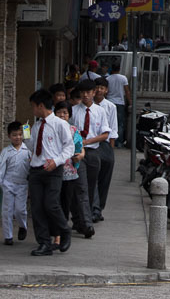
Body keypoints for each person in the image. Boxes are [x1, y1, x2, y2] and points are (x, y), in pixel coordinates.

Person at [27, 88, 74, 256]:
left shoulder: (60, 124)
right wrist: (26, 135)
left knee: (51, 203)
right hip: (36, 170)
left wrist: (57, 161)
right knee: (37, 207)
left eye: (33, 106)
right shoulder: (36, 126)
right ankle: (44, 243)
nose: (33, 110)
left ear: (41, 106)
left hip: (53, 170)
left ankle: (64, 230)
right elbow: (32, 147)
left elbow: (69, 147)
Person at [52, 101, 93, 240]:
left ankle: (67, 230)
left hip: (70, 171)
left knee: (69, 199)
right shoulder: (50, 129)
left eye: (65, 112)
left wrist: (80, 155)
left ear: (69, 115)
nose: (62, 115)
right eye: (59, 112)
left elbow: (80, 146)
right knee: (55, 201)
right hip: (54, 170)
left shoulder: (73, 130)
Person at [70, 79, 109, 217]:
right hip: (77, 152)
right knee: (80, 185)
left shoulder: (100, 111)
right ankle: (79, 215)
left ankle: (89, 213)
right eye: (83, 92)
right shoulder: (73, 110)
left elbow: (105, 134)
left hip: (93, 151)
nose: (85, 95)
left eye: (88, 92)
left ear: (94, 92)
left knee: (91, 184)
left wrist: (87, 142)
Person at [0, 120, 31, 245]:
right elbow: (0, 168)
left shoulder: (27, 150)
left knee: (20, 210)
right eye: (14, 135)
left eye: (20, 134)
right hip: (8, 184)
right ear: (9, 136)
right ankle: (8, 236)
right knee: (7, 210)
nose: (17, 137)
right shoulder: (6, 151)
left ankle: (22, 226)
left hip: (22, 184)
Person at [93, 78, 118, 221]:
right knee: (93, 177)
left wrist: (110, 150)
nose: (99, 90)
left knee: (104, 178)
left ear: (106, 90)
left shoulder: (110, 107)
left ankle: (99, 207)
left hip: (105, 144)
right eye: (97, 87)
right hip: (91, 144)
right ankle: (94, 209)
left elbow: (113, 129)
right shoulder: (87, 106)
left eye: (102, 88)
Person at [106, 60, 130, 148]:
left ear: (111, 69)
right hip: (120, 103)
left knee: (109, 123)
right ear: (119, 69)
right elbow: (127, 91)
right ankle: (119, 142)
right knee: (120, 124)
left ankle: (110, 141)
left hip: (109, 102)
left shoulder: (108, 79)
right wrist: (130, 102)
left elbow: (106, 91)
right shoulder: (123, 78)